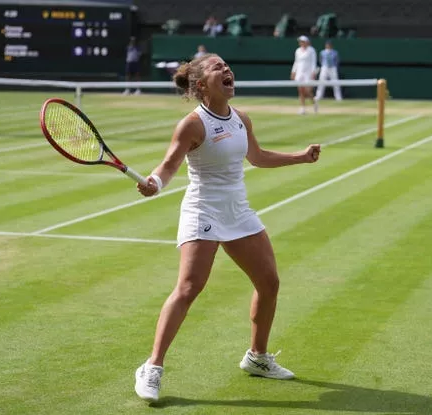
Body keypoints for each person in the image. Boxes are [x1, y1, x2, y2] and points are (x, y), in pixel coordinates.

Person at [133, 53, 321, 403]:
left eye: (227, 65)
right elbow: (169, 165)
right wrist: (155, 183)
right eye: (218, 67)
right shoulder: (192, 124)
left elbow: (258, 157)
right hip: (203, 209)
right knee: (189, 288)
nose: (227, 69)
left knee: (269, 282)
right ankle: (152, 366)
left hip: (238, 211)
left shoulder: (241, 119)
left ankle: (257, 358)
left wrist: (300, 156)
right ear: (202, 84)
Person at [291, 35, 318, 115]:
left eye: (302, 41)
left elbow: (313, 62)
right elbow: (296, 62)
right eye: (300, 41)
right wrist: (293, 72)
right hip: (299, 73)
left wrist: (313, 72)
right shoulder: (298, 50)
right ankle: (302, 108)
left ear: (306, 42)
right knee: (300, 90)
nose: (301, 43)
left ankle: (314, 103)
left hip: (308, 73)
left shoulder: (311, 50)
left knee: (307, 91)